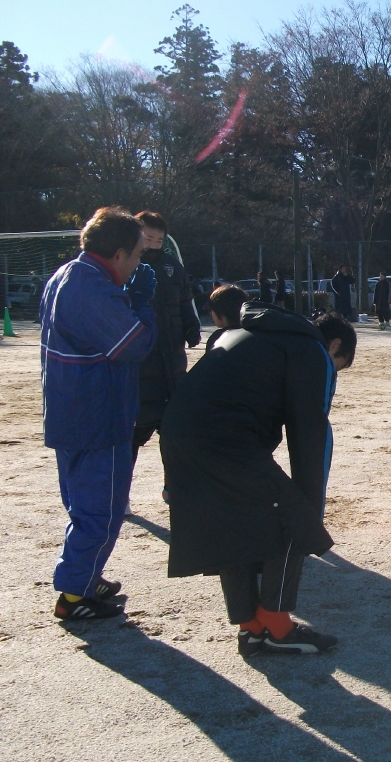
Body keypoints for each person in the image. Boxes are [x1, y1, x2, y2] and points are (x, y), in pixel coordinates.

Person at [161, 307, 356, 657]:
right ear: (335, 345)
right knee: (292, 518)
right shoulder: (311, 350)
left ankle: (250, 627)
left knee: (234, 523)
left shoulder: (250, 334)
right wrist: (310, 509)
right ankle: (277, 625)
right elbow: (310, 431)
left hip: (179, 433)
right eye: (338, 366)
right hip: (223, 441)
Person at [41, 208, 157, 621]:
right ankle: (74, 596)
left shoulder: (67, 275)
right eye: (137, 255)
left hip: (70, 412)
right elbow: (134, 345)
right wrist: (142, 304)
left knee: (85, 506)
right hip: (96, 417)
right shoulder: (91, 287)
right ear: (119, 254)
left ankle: (84, 577)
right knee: (101, 510)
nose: (139, 264)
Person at [131, 212, 201, 479]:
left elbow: (185, 301)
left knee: (175, 433)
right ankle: (120, 490)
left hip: (172, 361)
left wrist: (191, 326)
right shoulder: (127, 266)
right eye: (148, 238)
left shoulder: (173, 267)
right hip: (141, 363)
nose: (153, 244)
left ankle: (174, 486)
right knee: (132, 435)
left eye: (159, 240)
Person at [205, 283, 248, 351]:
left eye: (212, 310)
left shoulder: (217, 338)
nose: (211, 314)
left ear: (220, 311)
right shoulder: (251, 334)